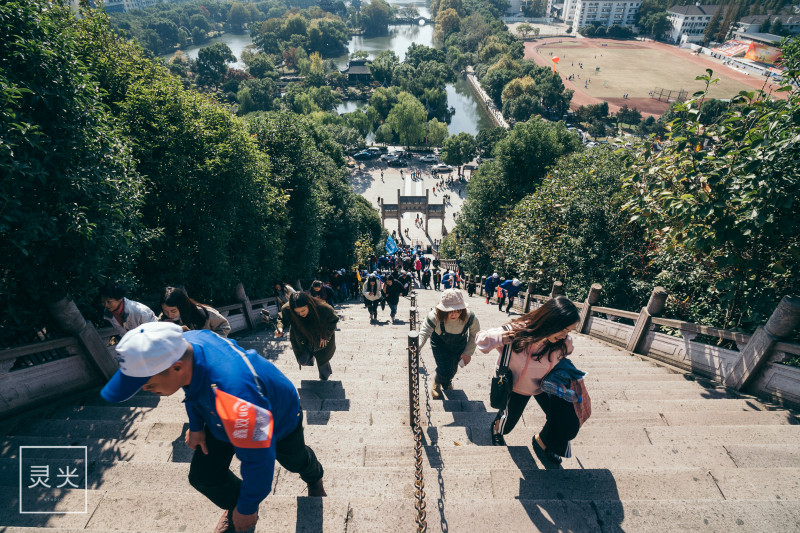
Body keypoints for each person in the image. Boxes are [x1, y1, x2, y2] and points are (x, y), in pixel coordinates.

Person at [100, 322, 326, 533]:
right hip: (217, 411)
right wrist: (196, 426)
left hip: (277, 418)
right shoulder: (186, 343)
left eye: (148, 383)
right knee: (203, 476)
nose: (146, 389)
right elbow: (191, 386)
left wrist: (247, 509)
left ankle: (314, 477)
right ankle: (235, 504)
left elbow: (259, 460)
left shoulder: (237, 397)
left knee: (294, 460)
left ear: (176, 367)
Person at [477, 296, 582, 466]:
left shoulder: (563, 343)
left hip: (545, 387)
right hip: (517, 388)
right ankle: (496, 428)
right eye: (563, 330)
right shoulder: (516, 332)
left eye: (569, 331)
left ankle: (543, 442)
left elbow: (566, 354)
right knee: (507, 427)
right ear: (550, 320)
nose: (565, 336)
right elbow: (481, 340)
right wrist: (499, 337)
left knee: (565, 421)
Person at [418, 289, 481, 399]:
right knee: (443, 366)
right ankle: (436, 383)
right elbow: (424, 332)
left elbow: (475, 334)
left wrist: (468, 353)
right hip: (439, 343)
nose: (454, 314)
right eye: (450, 311)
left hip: (459, 343)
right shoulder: (434, 316)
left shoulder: (470, 317)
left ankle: (446, 383)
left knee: (452, 369)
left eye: (457, 310)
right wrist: (417, 346)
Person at [275, 292, 338, 381]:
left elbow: (333, 320)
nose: (300, 314)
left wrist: (326, 335)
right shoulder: (287, 308)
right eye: (297, 312)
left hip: (320, 337)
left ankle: (324, 378)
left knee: (322, 360)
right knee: (302, 361)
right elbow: (282, 318)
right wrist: (280, 328)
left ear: (309, 305)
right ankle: (311, 356)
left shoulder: (323, 307)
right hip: (302, 338)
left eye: (303, 310)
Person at [160, 286, 231, 338]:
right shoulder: (163, 317)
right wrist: (166, 327)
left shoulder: (205, 313)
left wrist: (212, 341)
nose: (169, 315)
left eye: (173, 311)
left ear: (182, 306)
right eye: (165, 311)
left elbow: (224, 327)